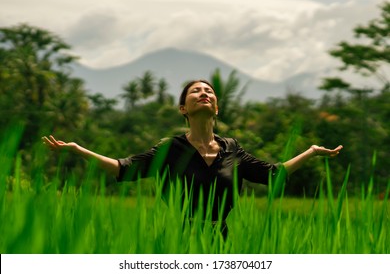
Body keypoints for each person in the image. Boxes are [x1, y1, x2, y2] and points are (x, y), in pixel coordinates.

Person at [42, 79, 343, 237]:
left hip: (220, 244)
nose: (204, 94)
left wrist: (311, 152)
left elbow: (272, 174)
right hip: (175, 243)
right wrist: (78, 150)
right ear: (183, 109)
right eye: (195, 91)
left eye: (209, 92)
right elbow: (123, 169)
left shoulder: (231, 149)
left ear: (216, 108)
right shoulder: (169, 149)